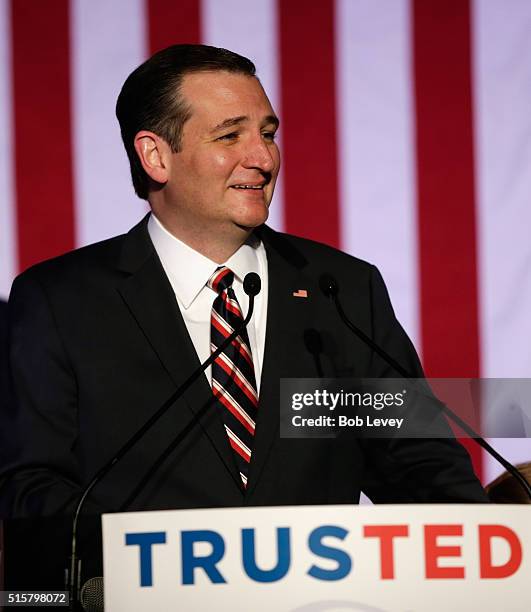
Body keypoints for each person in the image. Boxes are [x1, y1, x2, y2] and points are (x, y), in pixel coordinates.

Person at [0, 45, 487, 584]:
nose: (263, 157)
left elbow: (420, 465)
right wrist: (171, 564)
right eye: (230, 135)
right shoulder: (61, 301)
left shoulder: (342, 290)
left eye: (268, 133)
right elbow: (32, 489)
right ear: (155, 156)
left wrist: (488, 563)